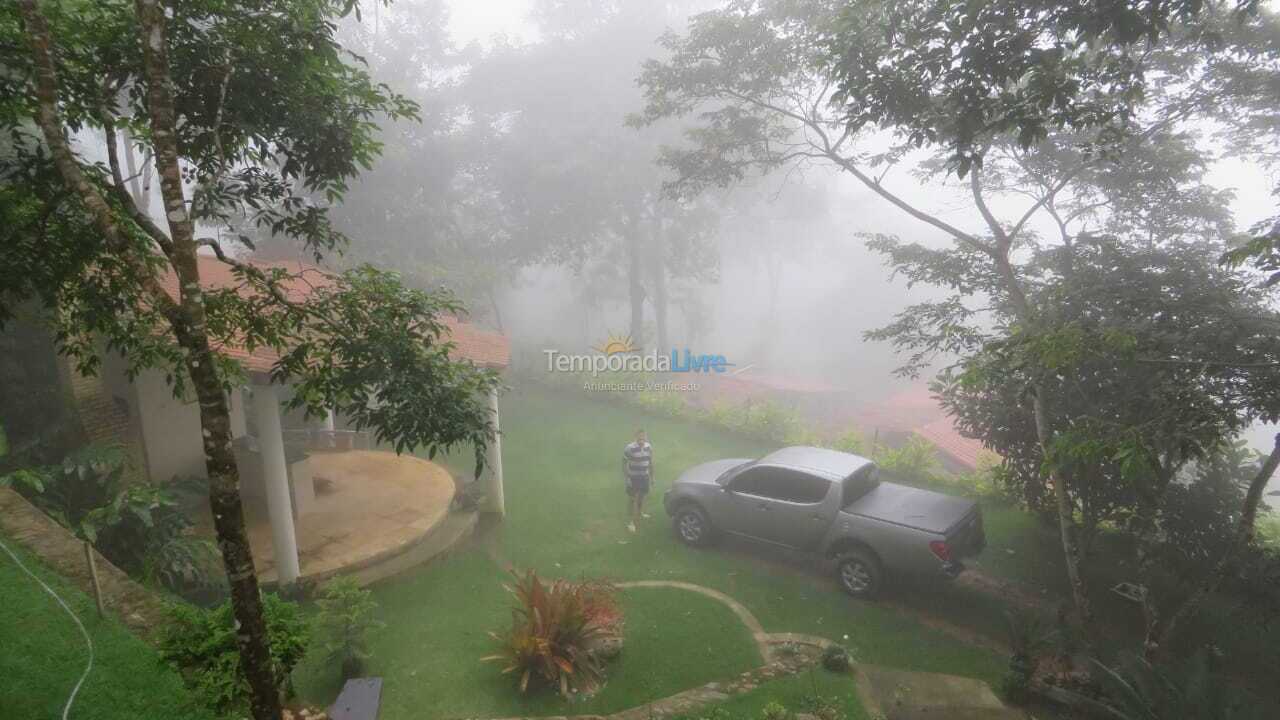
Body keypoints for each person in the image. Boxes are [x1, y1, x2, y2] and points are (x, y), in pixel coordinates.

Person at [622, 428, 653, 533]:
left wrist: (652, 477)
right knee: (632, 499)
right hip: (633, 477)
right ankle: (630, 522)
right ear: (636, 438)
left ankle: (640, 513)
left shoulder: (648, 447)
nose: (641, 441)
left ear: (645, 437)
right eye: (639, 438)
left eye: (643, 438)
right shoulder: (629, 448)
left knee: (642, 496)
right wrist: (627, 479)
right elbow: (624, 463)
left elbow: (651, 461)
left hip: (644, 476)